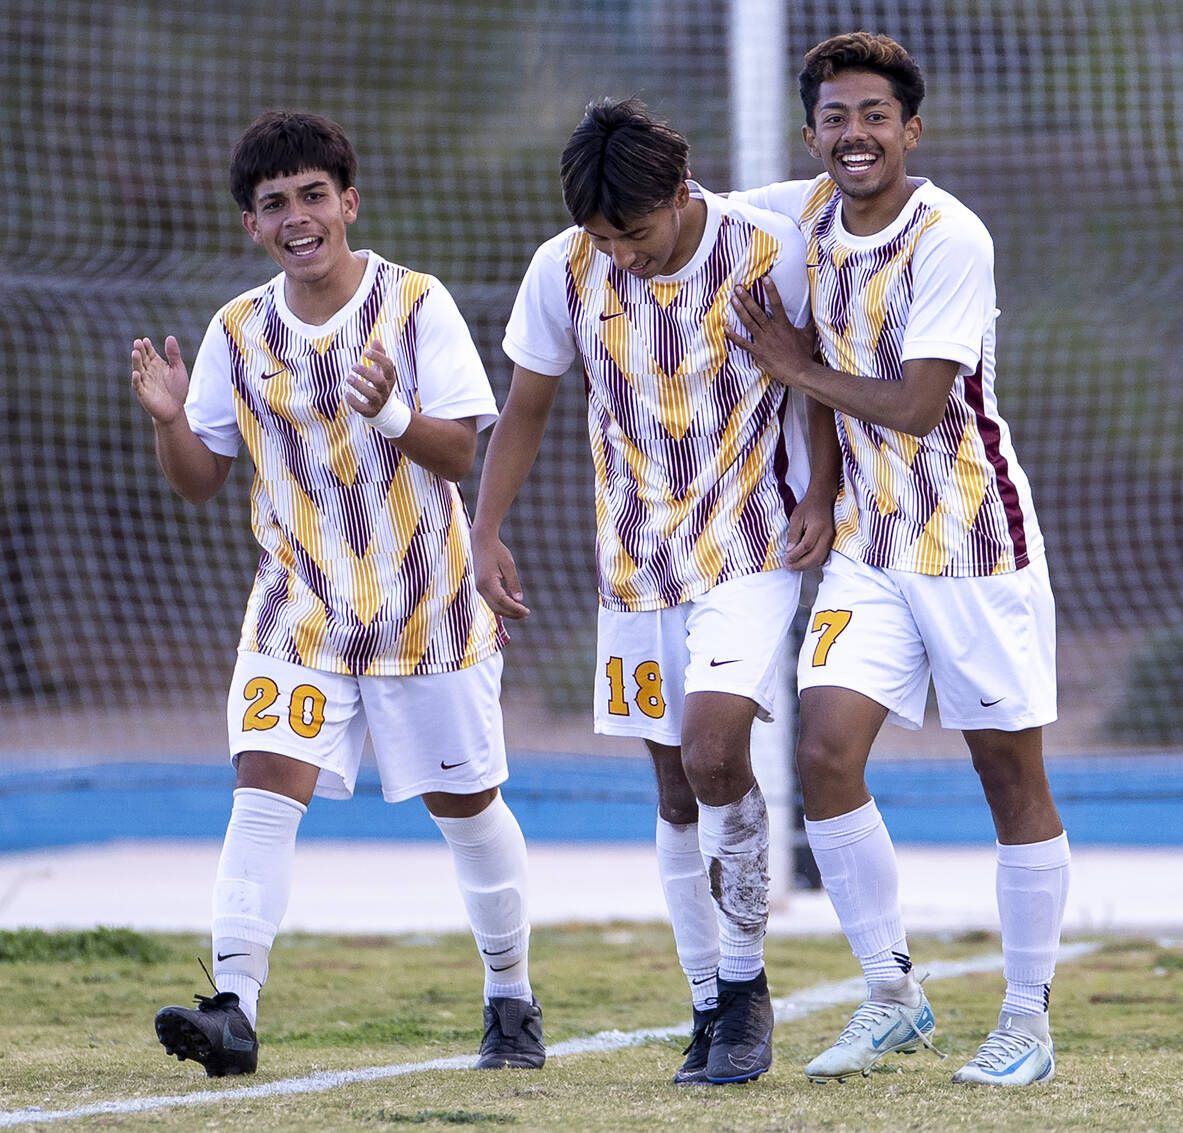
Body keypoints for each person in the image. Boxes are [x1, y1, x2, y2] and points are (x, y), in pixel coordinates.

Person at [130, 110, 543, 1077]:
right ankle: (232, 1007)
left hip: (425, 607)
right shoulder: (238, 329)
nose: (297, 217)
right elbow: (200, 479)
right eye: (274, 204)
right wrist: (166, 420)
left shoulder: (416, 303)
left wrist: (392, 407)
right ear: (253, 226)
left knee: (468, 806)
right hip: (299, 607)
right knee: (265, 784)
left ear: (348, 203)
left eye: (313, 196)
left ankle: (511, 996)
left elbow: (459, 449)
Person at [471, 97, 839, 1086]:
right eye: (602, 236)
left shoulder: (769, 250)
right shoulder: (564, 269)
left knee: (718, 747)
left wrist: (825, 491)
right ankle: (707, 1002)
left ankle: (749, 987)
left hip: (750, 544)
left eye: (631, 232)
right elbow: (528, 408)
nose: (619, 252)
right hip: (633, 562)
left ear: (681, 192)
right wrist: (484, 529)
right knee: (675, 786)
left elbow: (812, 381)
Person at [727, 32, 1070, 1088]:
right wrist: (823, 493)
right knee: (824, 753)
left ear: (910, 130)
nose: (855, 134)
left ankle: (1026, 1019)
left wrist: (792, 363)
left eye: (875, 115)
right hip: (872, 547)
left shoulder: (950, 237)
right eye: (836, 117)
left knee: (1006, 772)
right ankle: (893, 993)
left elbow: (919, 406)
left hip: (972, 541)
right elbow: (694, 208)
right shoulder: (805, 216)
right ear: (812, 134)